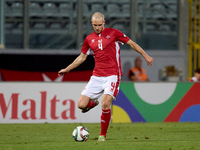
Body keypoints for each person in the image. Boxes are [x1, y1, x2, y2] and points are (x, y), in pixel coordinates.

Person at [58, 12, 154, 141]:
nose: (97, 27)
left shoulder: (114, 33)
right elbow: (82, 57)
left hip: (112, 75)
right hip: (97, 76)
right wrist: (67, 69)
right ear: (91, 23)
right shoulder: (89, 39)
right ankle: (93, 103)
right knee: (81, 105)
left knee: (105, 103)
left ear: (104, 23)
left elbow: (132, 43)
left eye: (99, 25)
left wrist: (145, 55)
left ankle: (102, 134)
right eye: (95, 25)